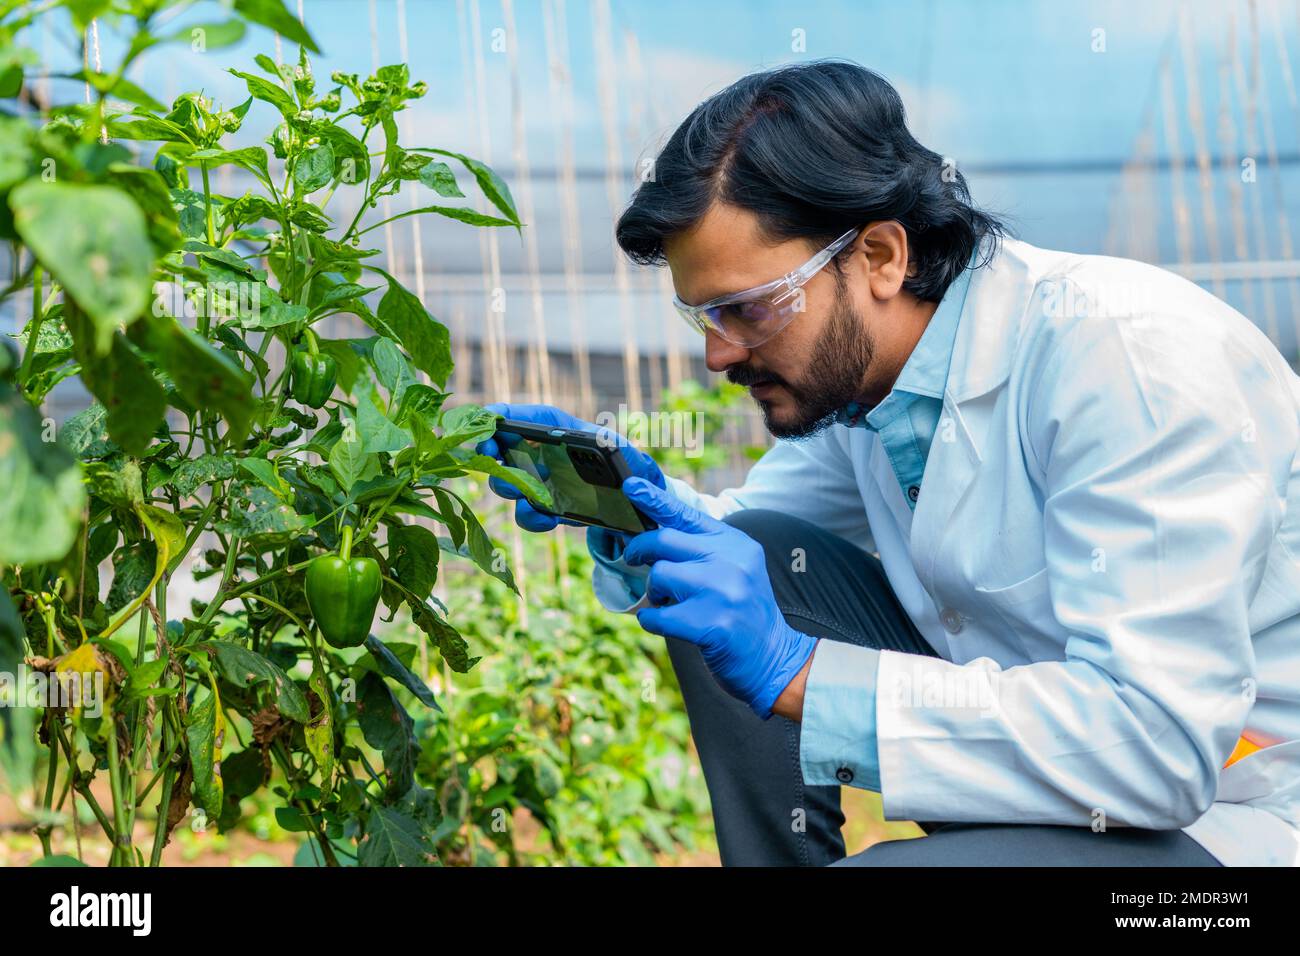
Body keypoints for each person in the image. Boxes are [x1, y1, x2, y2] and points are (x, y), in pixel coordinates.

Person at [479, 60, 1300, 867]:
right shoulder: (874, 383)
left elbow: (1154, 748)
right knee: (745, 553)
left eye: (749, 308)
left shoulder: (1128, 360)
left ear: (879, 256)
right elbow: (752, 549)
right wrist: (637, 508)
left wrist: (800, 675)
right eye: (704, 316)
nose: (720, 354)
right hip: (1050, 783)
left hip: (1224, 821)